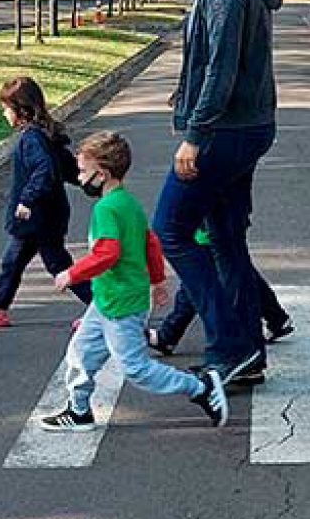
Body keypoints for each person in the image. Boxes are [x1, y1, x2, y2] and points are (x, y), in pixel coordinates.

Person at [152, 0, 282, 386]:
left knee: (172, 229)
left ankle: (227, 342)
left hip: (224, 133)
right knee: (226, 240)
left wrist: (195, 135)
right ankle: (247, 354)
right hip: (245, 127)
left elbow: (220, 67)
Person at [40, 132, 229, 431]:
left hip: (122, 303)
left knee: (136, 369)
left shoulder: (107, 208)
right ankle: (78, 411)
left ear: (101, 174)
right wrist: (157, 280)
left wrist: (71, 273)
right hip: (107, 299)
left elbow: (107, 253)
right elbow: (149, 243)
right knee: (80, 353)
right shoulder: (127, 202)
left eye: (82, 171)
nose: (79, 177)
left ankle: (200, 387)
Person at [0, 77, 90, 328]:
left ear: (21, 111)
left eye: (6, 108)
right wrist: (87, 182)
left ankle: (101, 309)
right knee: (12, 264)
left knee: (57, 264)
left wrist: (27, 199)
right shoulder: (45, 133)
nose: (4, 114)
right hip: (46, 216)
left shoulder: (31, 139)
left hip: (36, 218)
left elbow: (45, 170)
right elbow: (65, 166)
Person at [147, 225, 293, 361]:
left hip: (208, 227)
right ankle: (276, 317)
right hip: (213, 225)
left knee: (198, 278)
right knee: (238, 271)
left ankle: (169, 335)